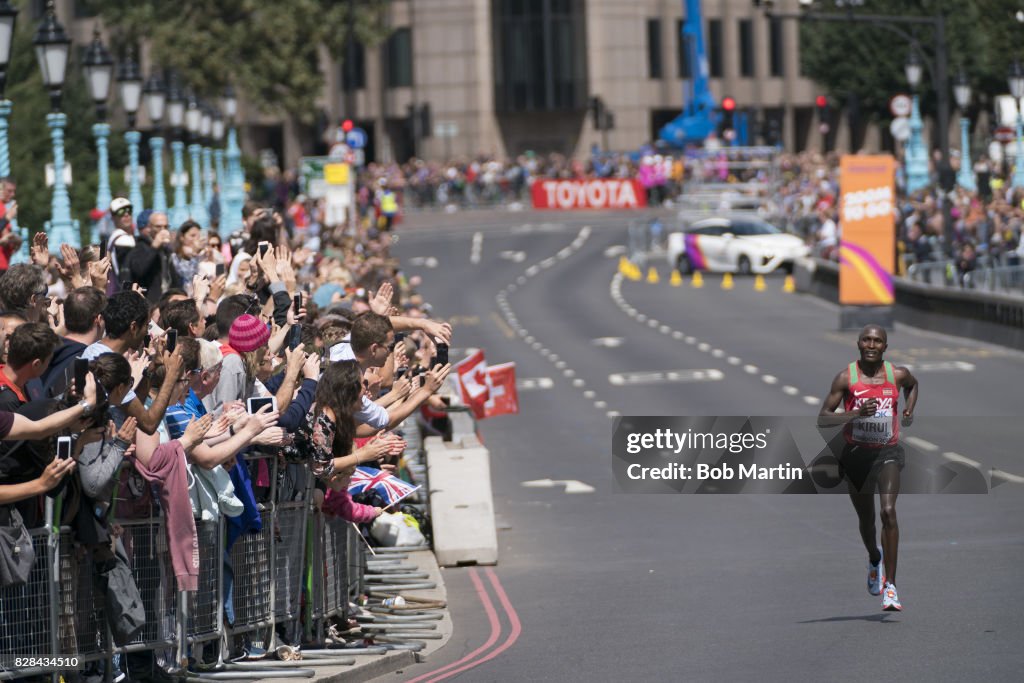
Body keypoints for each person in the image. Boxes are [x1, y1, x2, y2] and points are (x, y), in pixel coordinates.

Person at [818, 324, 919, 612]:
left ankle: (891, 586)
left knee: (888, 512)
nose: (872, 344)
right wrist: (854, 414)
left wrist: (910, 409)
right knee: (867, 521)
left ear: (885, 347)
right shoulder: (845, 378)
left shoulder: (897, 374)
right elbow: (823, 417)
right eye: (867, 340)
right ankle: (874, 558)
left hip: (887, 452)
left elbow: (913, 385)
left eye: (877, 341)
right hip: (856, 455)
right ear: (858, 344)